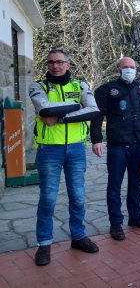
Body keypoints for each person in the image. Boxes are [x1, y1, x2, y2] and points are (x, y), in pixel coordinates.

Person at [29, 49, 101, 266]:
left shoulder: (79, 85)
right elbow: (44, 110)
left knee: (78, 196)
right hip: (49, 150)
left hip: (76, 150)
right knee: (48, 199)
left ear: (68, 64)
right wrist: (78, 108)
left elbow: (94, 110)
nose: (55, 66)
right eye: (51, 62)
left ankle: (78, 237)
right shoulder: (38, 86)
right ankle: (44, 244)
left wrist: (58, 117)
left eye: (60, 62)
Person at [90, 57, 140, 241]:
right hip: (118, 145)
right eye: (125, 67)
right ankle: (116, 223)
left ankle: (135, 217)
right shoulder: (106, 90)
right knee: (114, 185)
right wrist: (96, 139)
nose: (129, 70)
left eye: (132, 67)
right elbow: (96, 115)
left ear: (136, 69)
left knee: (137, 183)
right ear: (118, 69)